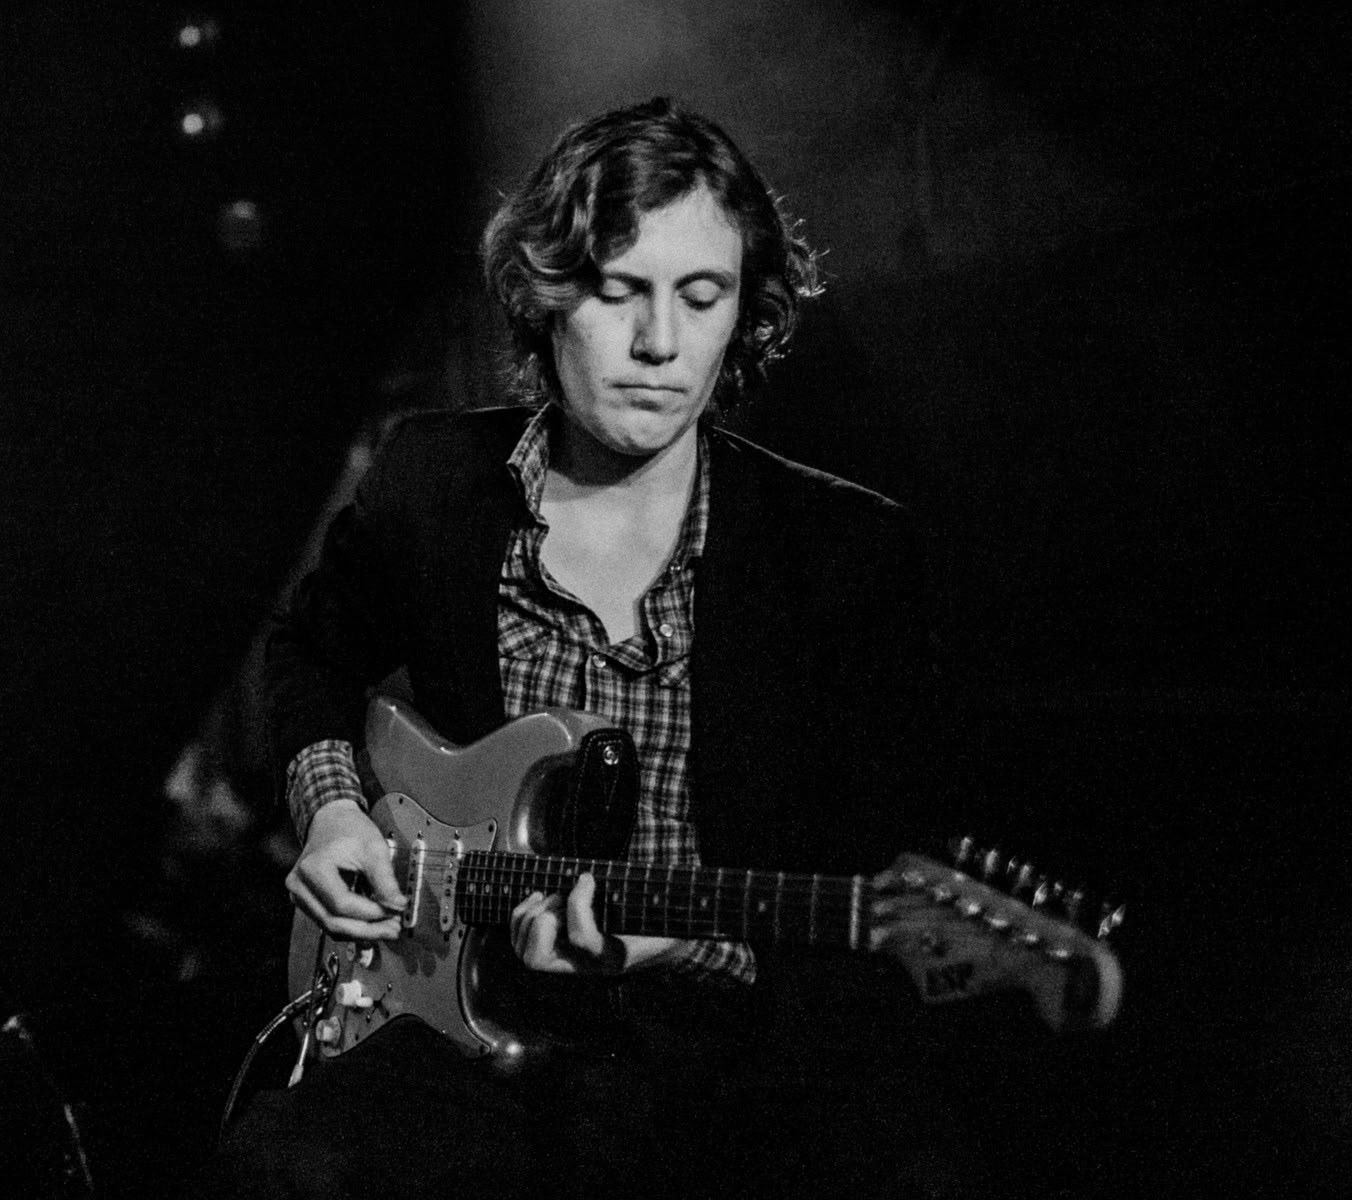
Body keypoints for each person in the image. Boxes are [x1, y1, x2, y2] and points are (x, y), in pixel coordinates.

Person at [218, 98, 977, 1199]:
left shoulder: (846, 551)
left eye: (701, 296)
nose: (661, 343)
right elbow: (310, 650)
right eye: (621, 292)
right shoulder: (432, 484)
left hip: (728, 1052)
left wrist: (684, 945)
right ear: (546, 296)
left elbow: (887, 874)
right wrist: (336, 807)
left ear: (744, 315)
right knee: (276, 1165)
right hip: (459, 1017)